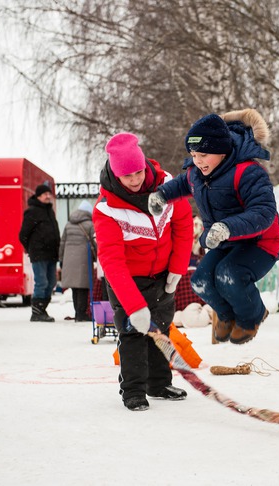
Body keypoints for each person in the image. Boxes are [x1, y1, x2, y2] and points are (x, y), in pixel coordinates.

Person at [148, 109, 279, 345]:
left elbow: (264, 212)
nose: (197, 161)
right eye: (193, 155)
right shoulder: (196, 173)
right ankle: (227, 316)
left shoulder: (248, 172)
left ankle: (253, 316)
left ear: (222, 150)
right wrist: (161, 196)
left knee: (229, 274)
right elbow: (181, 184)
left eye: (203, 155)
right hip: (224, 241)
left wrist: (227, 227)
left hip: (259, 243)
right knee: (201, 280)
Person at [93, 132, 193, 411]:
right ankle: (134, 390)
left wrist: (176, 269)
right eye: (128, 176)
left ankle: (159, 383)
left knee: (161, 326)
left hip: (162, 274)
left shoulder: (170, 188)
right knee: (133, 330)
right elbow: (111, 261)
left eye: (138, 172)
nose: (135, 179)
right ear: (116, 175)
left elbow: (183, 227)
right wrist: (134, 306)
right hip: (127, 280)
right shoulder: (106, 209)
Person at [19, 183, 60, 322]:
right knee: (41, 282)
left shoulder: (50, 210)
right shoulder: (32, 211)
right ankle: (36, 312)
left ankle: (42, 309)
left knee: (51, 282)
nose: (48, 196)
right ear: (38, 196)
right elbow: (23, 235)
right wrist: (33, 248)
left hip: (52, 254)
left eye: (49, 194)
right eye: (45, 194)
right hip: (39, 254)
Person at [59, 200, 96, 322]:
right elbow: (94, 243)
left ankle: (77, 312)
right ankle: (81, 314)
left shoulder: (68, 224)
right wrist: (98, 258)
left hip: (69, 259)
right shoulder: (90, 225)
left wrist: (61, 259)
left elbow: (62, 243)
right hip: (83, 259)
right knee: (83, 288)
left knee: (75, 288)